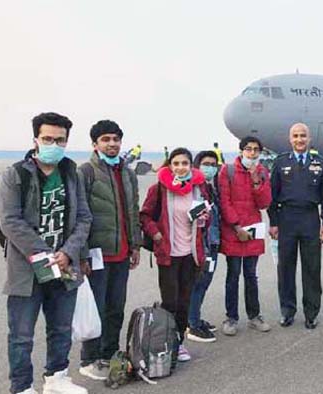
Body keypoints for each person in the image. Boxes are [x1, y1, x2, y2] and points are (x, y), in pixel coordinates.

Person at [0, 112, 92, 394]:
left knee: (61, 328)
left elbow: (84, 218)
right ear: (36, 140)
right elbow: (9, 220)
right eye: (48, 138)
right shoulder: (15, 174)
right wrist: (46, 253)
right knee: (21, 335)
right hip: (27, 269)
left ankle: (57, 377)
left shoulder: (72, 174)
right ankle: (22, 386)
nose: (54, 144)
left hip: (64, 267)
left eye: (60, 140)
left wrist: (67, 252)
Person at [78, 120, 141, 381]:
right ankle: (89, 358)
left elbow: (133, 211)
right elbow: (78, 217)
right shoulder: (85, 172)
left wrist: (135, 244)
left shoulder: (127, 173)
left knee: (116, 306)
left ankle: (109, 352)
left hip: (122, 252)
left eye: (116, 139)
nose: (112, 143)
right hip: (96, 254)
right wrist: (81, 254)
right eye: (106, 139)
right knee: (96, 307)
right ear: (95, 144)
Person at [140, 147, 210, 362]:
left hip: (191, 254)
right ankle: (165, 341)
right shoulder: (159, 189)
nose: (181, 167)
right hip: (168, 254)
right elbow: (144, 216)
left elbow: (206, 217)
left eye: (185, 163)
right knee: (170, 302)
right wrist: (157, 234)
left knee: (184, 303)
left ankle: (178, 344)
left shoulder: (199, 189)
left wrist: (204, 220)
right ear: (170, 166)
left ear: (191, 166)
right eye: (176, 163)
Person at [268, 123, 323, 329]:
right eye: (295, 136)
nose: (299, 140)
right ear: (290, 139)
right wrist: (274, 223)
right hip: (286, 219)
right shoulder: (280, 162)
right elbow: (272, 196)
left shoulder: (320, 163)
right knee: (285, 268)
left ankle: (311, 313)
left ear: (309, 138)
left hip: (310, 219)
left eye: (303, 136)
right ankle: (287, 311)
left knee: (312, 268)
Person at [219, 136, 273, 335]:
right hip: (234, 230)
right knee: (233, 275)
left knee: (251, 275)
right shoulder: (228, 171)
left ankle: (254, 316)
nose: (252, 153)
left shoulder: (262, 172)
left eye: (256, 150)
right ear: (241, 150)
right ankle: (231, 318)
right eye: (248, 149)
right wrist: (236, 227)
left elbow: (264, 203)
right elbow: (224, 201)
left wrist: (256, 182)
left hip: (253, 230)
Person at [185, 151, 222, 343]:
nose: (210, 168)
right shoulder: (193, 187)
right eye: (206, 164)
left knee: (205, 282)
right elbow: (189, 213)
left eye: (213, 164)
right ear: (197, 166)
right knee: (198, 283)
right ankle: (191, 324)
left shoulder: (209, 187)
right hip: (201, 244)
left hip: (212, 241)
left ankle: (195, 317)